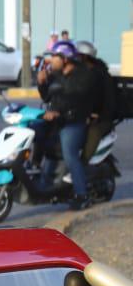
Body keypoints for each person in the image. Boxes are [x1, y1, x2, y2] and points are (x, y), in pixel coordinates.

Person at [40, 42, 97, 209]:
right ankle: (46, 184)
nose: (51, 60)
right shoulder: (57, 75)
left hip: (75, 123)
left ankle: (82, 195)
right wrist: (42, 82)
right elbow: (47, 97)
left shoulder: (82, 75)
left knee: (70, 153)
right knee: (43, 143)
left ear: (65, 59)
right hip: (57, 121)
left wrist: (60, 113)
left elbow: (76, 98)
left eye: (54, 57)